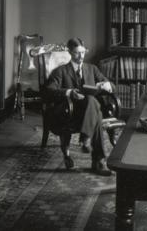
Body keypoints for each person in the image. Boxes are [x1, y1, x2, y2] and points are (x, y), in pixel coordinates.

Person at [45, 37, 113, 176]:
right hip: (69, 112)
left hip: (89, 113)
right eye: (77, 53)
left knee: (92, 102)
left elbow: (112, 86)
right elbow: (48, 91)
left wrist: (106, 85)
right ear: (70, 52)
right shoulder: (60, 71)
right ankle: (98, 161)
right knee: (96, 110)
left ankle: (87, 139)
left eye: (83, 52)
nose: (81, 56)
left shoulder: (92, 69)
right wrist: (69, 93)